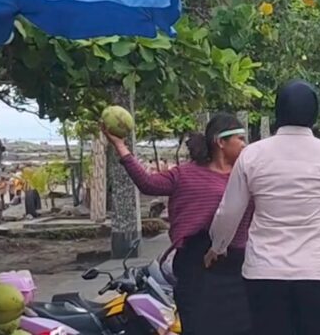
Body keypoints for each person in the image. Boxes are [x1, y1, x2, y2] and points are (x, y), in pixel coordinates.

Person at [206, 80, 320, 335]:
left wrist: (217, 246)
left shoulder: (252, 155)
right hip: (318, 270)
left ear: (279, 111)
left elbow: (229, 211)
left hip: (265, 270)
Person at [103, 113, 253, 335]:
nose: (244, 144)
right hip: (196, 264)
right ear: (220, 142)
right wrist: (121, 147)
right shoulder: (185, 174)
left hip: (236, 266)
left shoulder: (247, 175)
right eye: (239, 138)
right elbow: (148, 184)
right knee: (199, 327)